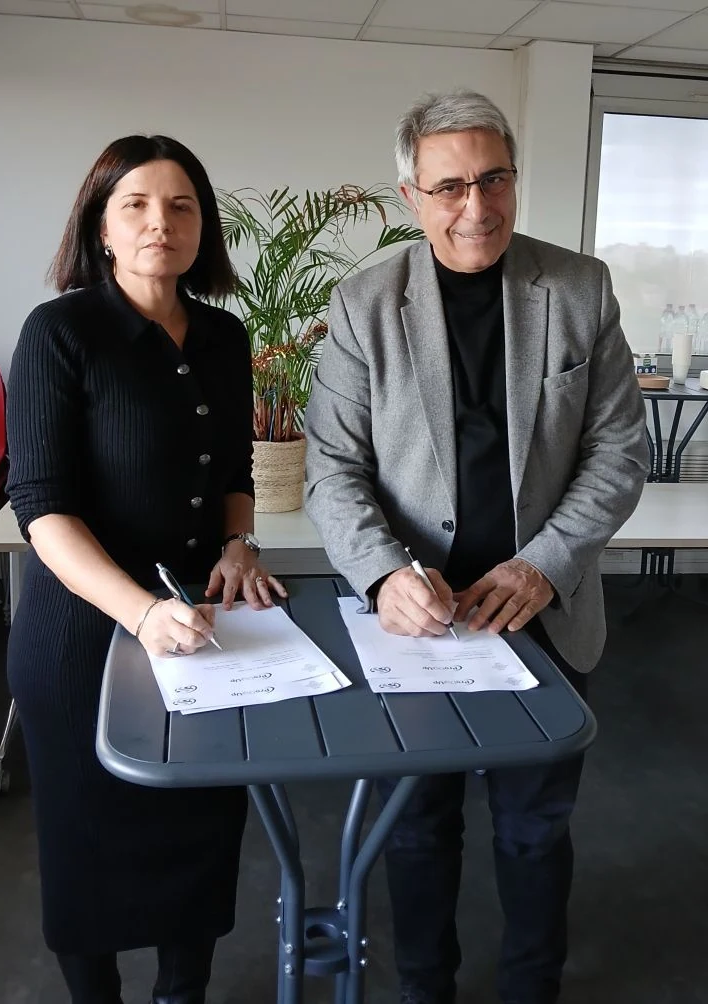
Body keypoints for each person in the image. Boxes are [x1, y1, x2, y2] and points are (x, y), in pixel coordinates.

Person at [304, 90, 648, 1004]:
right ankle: (426, 990)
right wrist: (382, 574)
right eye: (450, 185)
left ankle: (531, 989)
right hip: (418, 625)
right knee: (416, 829)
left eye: (494, 178)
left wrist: (545, 562)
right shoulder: (363, 302)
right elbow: (333, 469)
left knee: (536, 828)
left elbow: (620, 454)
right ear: (412, 195)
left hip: (543, 610)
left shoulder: (580, 288)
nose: (477, 206)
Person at [6, 134, 286, 1004]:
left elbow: (236, 470)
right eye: (136, 204)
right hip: (84, 639)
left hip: (202, 626)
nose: (160, 222)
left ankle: (181, 991)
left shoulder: (224, 335)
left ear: (204, 227)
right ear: (100, 223)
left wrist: (240, 543)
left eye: (182, 205)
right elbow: (42, 508)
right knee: (87, 844)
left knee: (200, 829)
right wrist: (137, 613)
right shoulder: (61, 333)